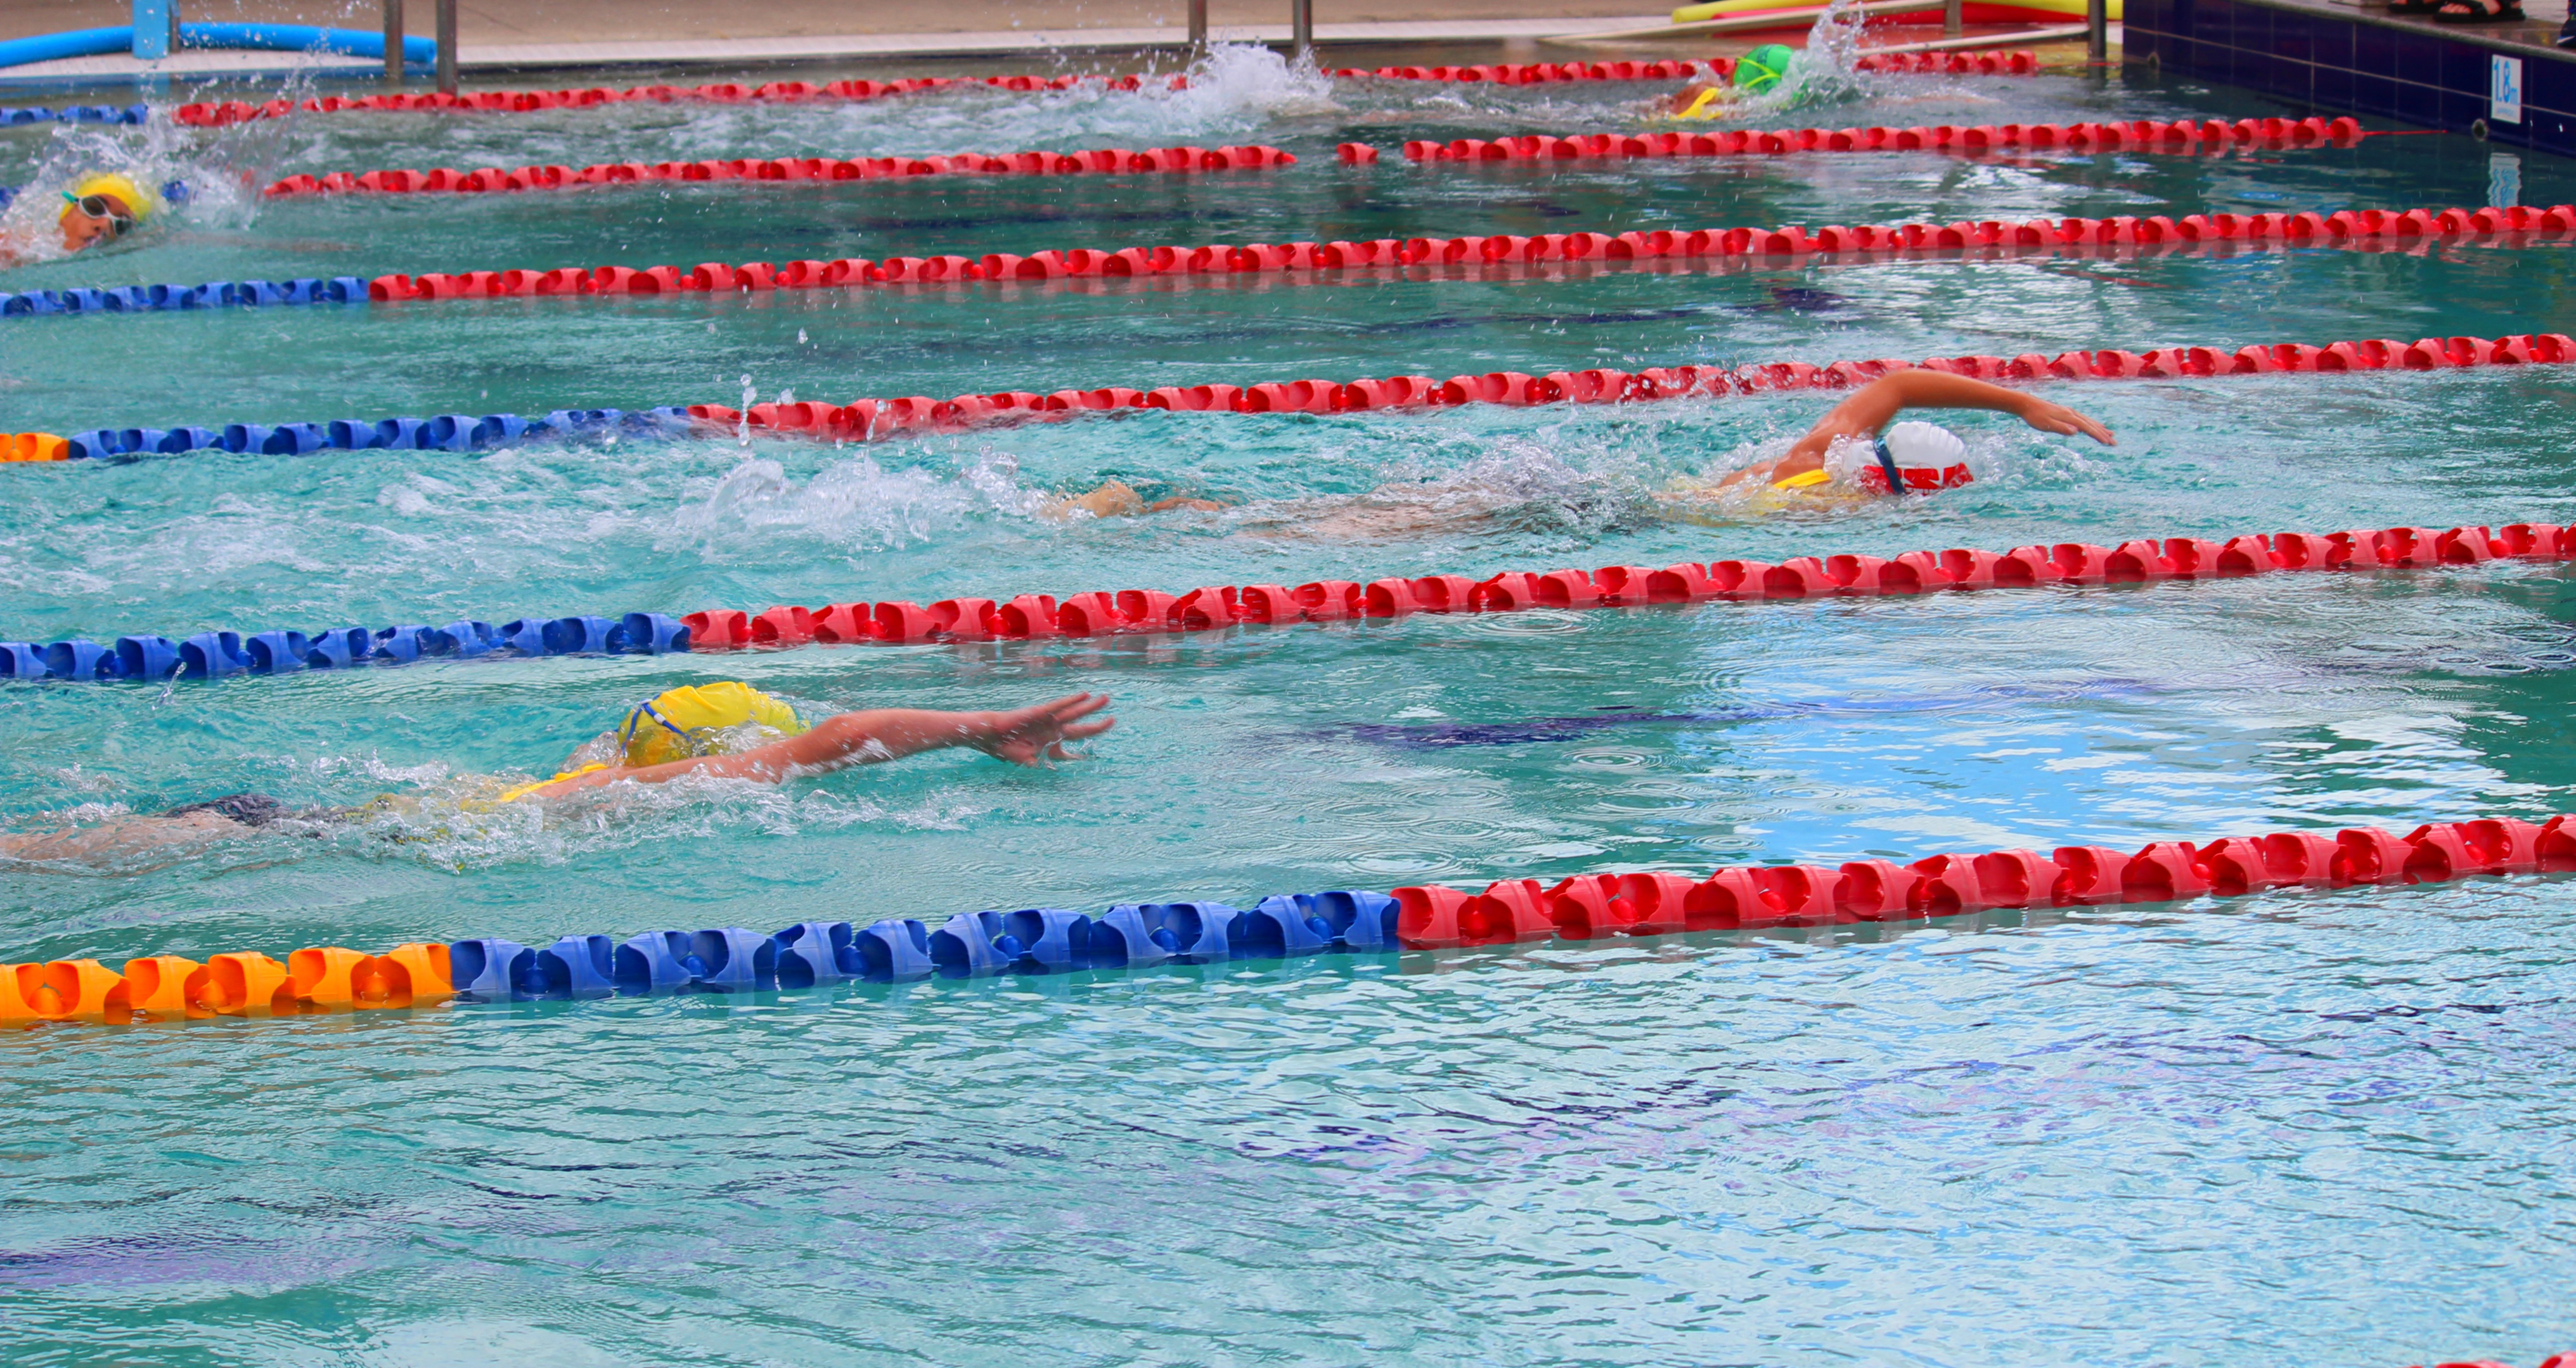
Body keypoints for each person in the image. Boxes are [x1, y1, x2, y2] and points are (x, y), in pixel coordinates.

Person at [0, 684, 1115, 867]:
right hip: (308, 834)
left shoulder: (590, 773)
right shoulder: (645, 795)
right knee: (65, 856)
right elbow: (833, 739)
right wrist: (981, 726)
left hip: (330, 819)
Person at [0, 172, 159, 266]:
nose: (104, 226)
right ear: (69, 207)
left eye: (121, 225)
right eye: (94, 208)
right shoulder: (12, 247)